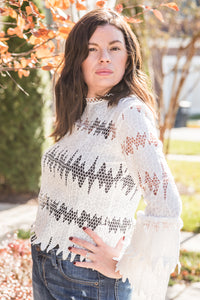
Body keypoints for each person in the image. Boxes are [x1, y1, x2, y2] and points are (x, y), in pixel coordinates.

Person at [31, 8, 182, 300]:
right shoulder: (80, 110)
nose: (104, 57)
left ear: (128, 58)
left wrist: (123, 263)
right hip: (46, 261)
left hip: (88, 279)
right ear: (79, 59)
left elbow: (166, 204)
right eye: (92, 49)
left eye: (114, 48)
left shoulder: (129, 114)